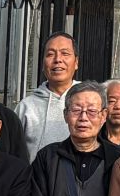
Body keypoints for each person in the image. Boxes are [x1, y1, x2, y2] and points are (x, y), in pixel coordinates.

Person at [16, 33, 79, 162]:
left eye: (65, 53)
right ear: (43, 64)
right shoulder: (26, 107)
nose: (58, 59)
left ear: (76, 62)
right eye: (50, 54)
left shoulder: (90, 102)